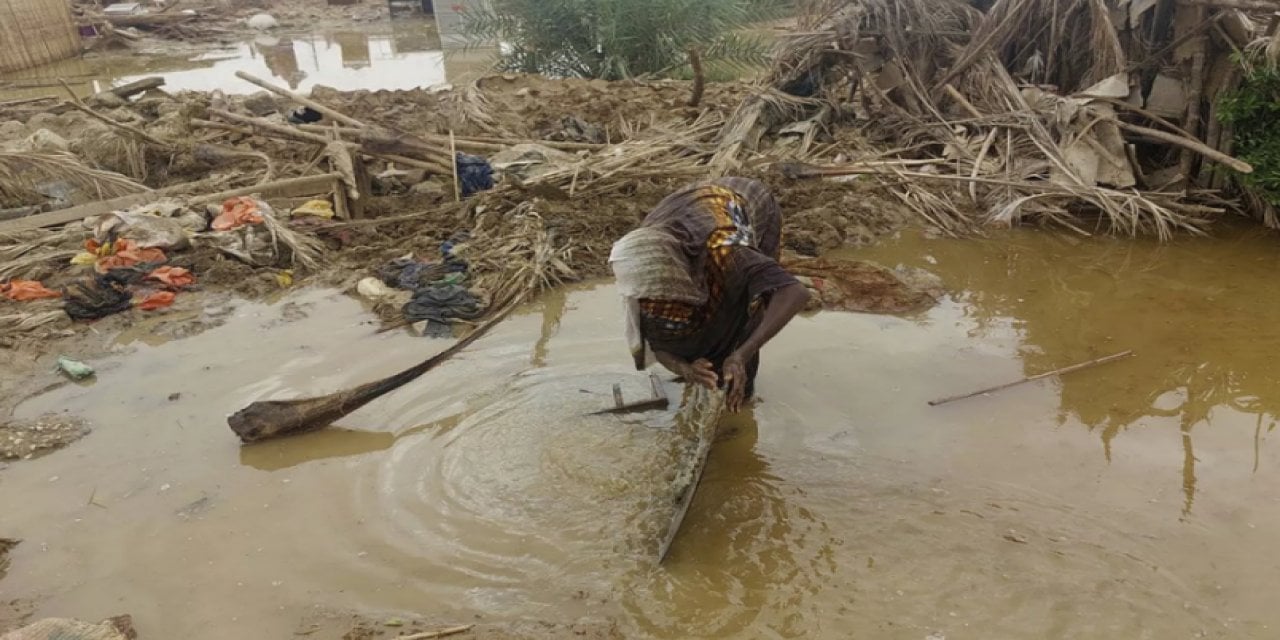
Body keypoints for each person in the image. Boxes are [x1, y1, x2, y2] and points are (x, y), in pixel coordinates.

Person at [608, 177, 810, 412]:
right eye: (652, 300)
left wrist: (741, 354)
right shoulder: (639, 269)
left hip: (747, 202)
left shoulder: (726, 248)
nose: (656, 305)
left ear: (680, 278)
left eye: (666, 298)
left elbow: (794, 292)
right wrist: (686, 369)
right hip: (689, 208)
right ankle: (715, 366)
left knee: (747, 302)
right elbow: (659, 344)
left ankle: (741, 392)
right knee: (683, 322)